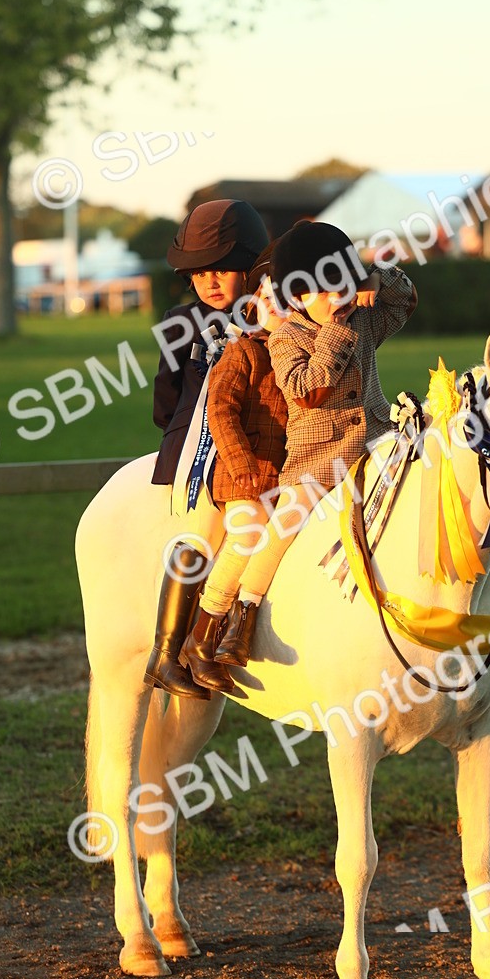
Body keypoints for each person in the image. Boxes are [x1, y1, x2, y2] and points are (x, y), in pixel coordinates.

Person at [191, 220, 418, 668]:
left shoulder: (362, 315)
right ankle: (239, 615)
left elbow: (406, 300)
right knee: (280, 529)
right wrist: (337, 330)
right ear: (298, 298)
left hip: (377, 443)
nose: (340, 298)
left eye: (345, 286)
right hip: (317, 462)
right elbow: (307, 388)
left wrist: (374, 277)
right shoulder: (287, 337)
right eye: (327, 290)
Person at [145, 198, 268, 699]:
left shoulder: (271, 315)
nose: (210, 282)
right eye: (199, 273)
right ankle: (167, 654)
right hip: (196, 450)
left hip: (256, 446)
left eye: (223, 270)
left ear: (253, 268)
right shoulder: (179, 323)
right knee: (200, 534)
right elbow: (165, 400)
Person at [177, 245, 289, 692]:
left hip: (283, 479)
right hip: (240, 477)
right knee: (246, 535)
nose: (275, 308)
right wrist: (241, 461)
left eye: (286, 301)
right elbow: (219, 411)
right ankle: (202, 637)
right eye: (267, 300)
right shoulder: (243, 353)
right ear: (253, 306)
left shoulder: (295, 355)